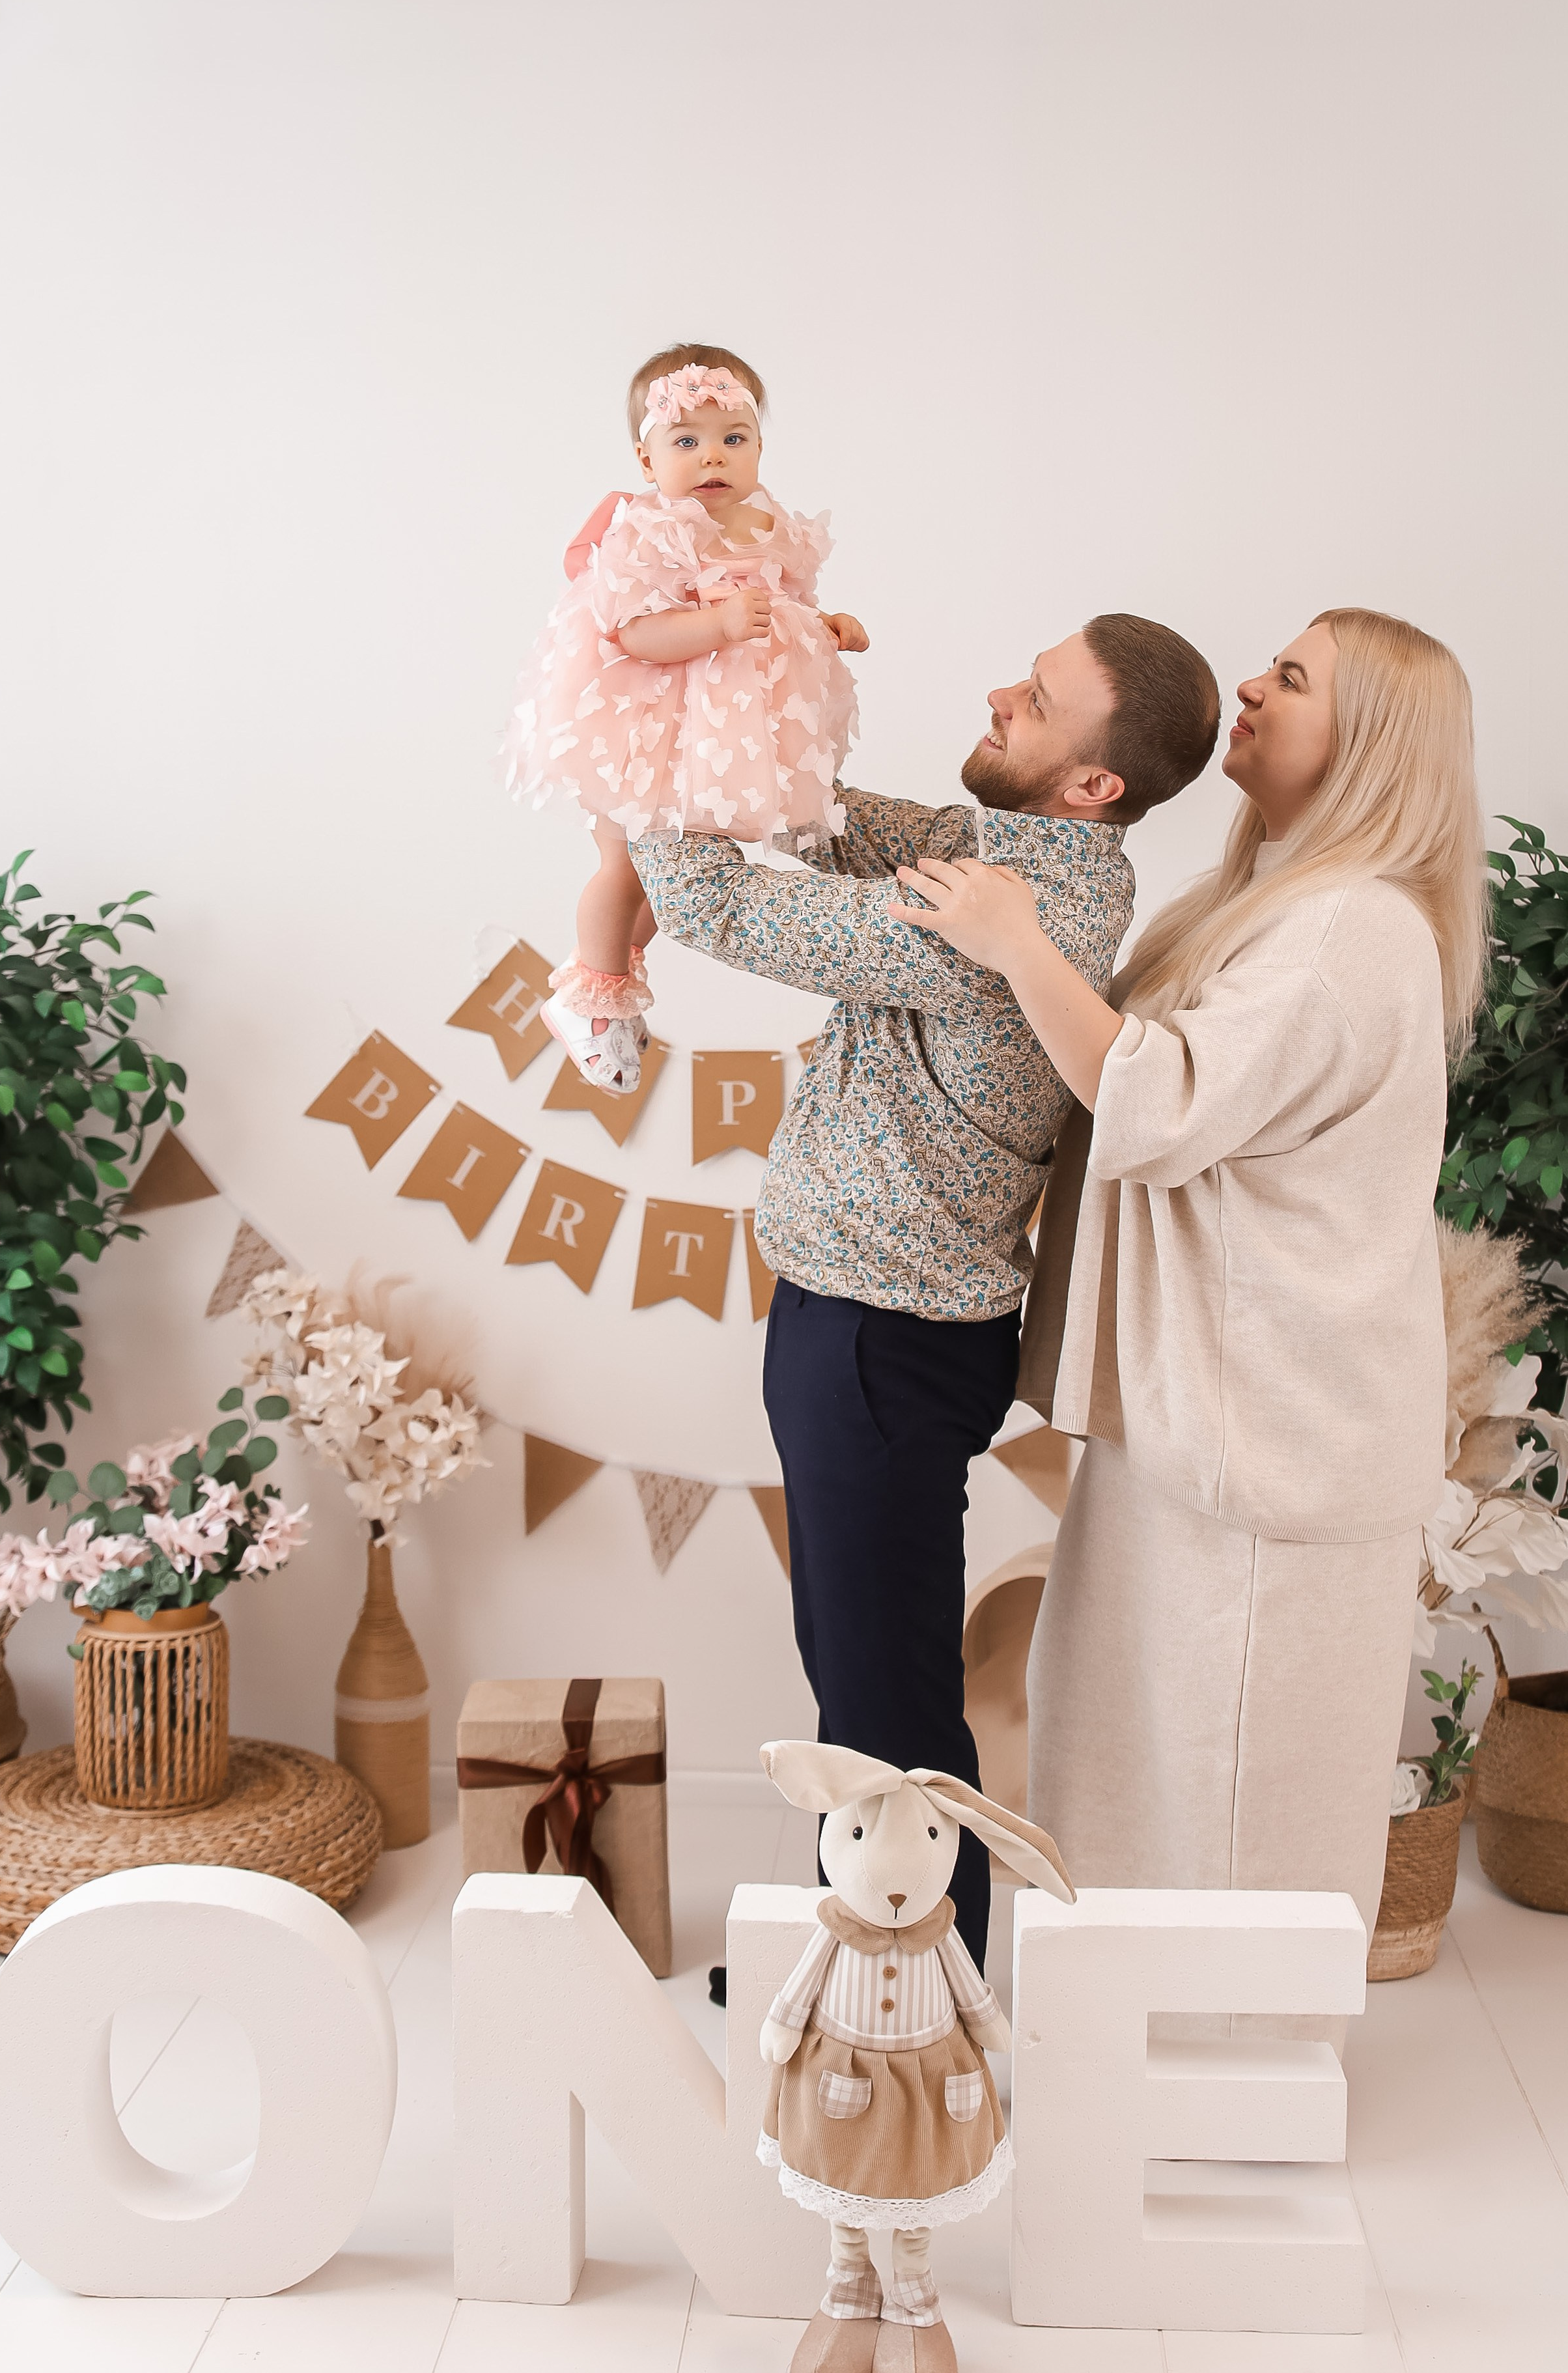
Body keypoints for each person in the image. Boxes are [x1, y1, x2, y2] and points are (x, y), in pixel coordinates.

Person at [889, 608, 1487, 1973]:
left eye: (1291, 678)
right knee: (1125, 1756)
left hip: (1272, 1444)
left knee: (1233, 1793)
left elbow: (1149, 1097)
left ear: (1372, 743)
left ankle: (1213, 2078)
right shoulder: (1254, 901)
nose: (1250, 690)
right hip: (1197, 1423)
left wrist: (1009, 935)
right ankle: (1127, 2051)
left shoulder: (1345, 931)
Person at [637, 615, 1221, 1966]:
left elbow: (714, 906)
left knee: (882, 1685)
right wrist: (740, 696)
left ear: (1094, 785)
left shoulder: (1015, 916)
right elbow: (836, 820)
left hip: (877, 1343)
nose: (996, 696)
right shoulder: (1010, 861)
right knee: (859, 1665)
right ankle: (877, 1943)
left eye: (1035, 697)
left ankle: (920, 1979)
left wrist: (634, 761)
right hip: (866, 1328)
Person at [501, 342, 868, 1094]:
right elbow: (633, 632)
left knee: (669, 881)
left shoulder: (772, 530)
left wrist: (826, 625)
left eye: (733, 438)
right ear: (646, 459)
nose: (713, 457)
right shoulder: (648, 529)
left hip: (717, 738)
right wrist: (719, 626)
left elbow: (781, 611)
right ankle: (590, 1001)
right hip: (638, 728)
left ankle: (609, 978)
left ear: (759, 446)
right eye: (686, 440)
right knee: (620, 863)